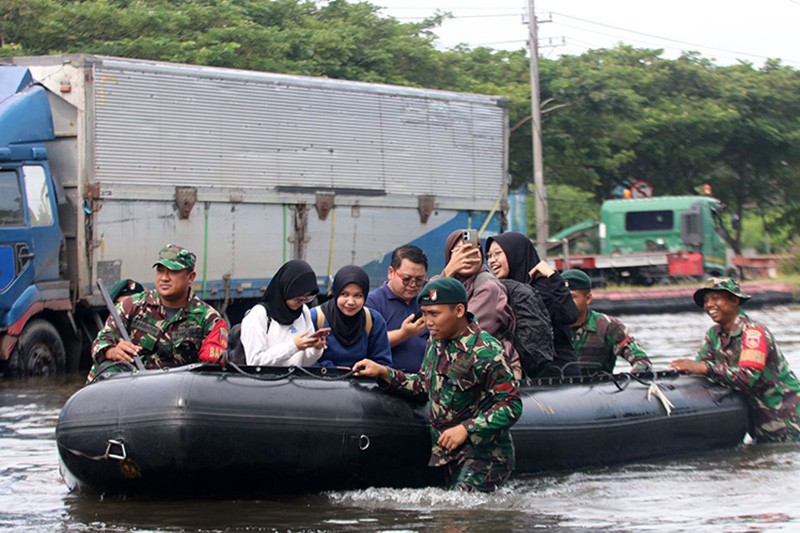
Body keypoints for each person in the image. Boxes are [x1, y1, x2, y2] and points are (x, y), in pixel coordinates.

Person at [354, 277, 522, 492]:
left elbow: (511, 404)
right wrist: (384, 372)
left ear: (459, 311)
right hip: (448, 454)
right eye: (424, 314)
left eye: (434, 314)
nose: (428, 322)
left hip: (485, 455)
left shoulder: (486, 350)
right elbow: (425, 385)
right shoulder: (436, 343)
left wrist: (467, 429)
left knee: (458, 519)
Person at [670, 277, 800, 443]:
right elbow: (699, 369)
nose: (709, 305)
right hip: (758, 419)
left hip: (786, 417)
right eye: (706, 300)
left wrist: (705, 368)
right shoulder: (714, 335)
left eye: (715, 298)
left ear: (734, 300)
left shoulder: (753, 333)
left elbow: (747, 377)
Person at [89, 244, 228, 380]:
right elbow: (100, 343)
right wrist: (112, 351)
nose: (164, 278)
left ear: (191, 277)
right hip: (131, 388)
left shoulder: (209, 319)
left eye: (173, 272)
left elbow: (212, 371)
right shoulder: (132, 306)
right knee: (109, 369)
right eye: (160, 270)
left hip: (177, 391)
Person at [485, 232, 579, 376]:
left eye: (497, 254)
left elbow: (570, 315)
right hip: (523, 373)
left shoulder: (543, 286)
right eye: (489, 256)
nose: (492, 260)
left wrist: (553, 276)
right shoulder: (502, 291)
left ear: (516, 253)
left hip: (557, 374)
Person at [437, 229, 520, 377]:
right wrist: (448, 272)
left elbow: (458, 329)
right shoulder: (449, 280)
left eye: (472, 250)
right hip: (462, 367)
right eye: (459, 251)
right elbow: (427, 305)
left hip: (489, 372)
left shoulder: (488, 286)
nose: (467, 257)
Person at [561, 269, 652, 375]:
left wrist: (634, 376)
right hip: (554, 388)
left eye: (572, 297)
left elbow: (641, 361)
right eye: (562, 296)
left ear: (588, 298)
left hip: (599, 386)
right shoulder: (549, 327)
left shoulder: (607, 326)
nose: (565, 302)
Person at [240, 259, 326, 367]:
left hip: (293, 381)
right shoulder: (259, 315)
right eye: (298, 298)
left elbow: (304, 363)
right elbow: (255, 362)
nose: (302, 302)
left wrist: (315, 348)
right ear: (285, 290)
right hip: (265, 382)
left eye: (307, 297)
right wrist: (293, 346)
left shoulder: (303, 312)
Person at [310, 265, 392, 369]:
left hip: (362, 383)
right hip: (319, 382)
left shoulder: (374, 321)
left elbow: (383, 363)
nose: (351, 302)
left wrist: (362, 370)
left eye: (358, 296)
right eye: (344, 294)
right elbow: (303, 361)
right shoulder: (316, 317)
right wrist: (332, 370)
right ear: (336, 292)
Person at [366, 245, 429, 372]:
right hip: (382, 385)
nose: (413, 284)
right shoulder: (372, 302)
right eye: (406, 279)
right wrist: (404, 334)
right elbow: (365, 343)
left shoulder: (424, 302)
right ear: (391, 273)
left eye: (419, 280)